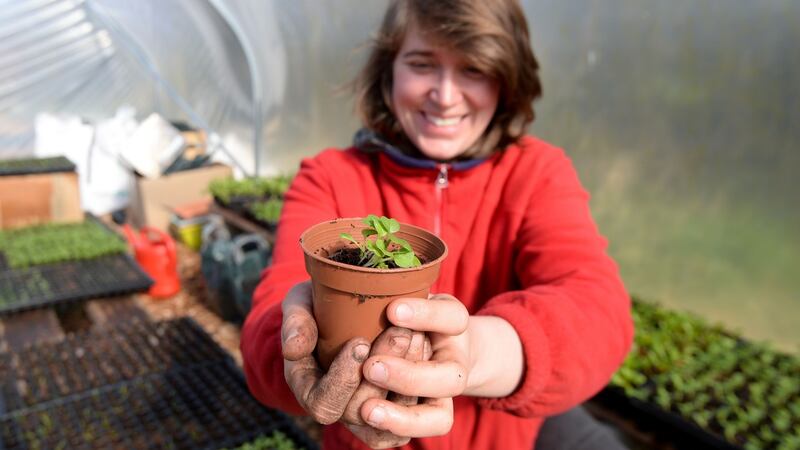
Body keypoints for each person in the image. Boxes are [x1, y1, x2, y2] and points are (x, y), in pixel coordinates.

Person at [241, 0, 634, 449]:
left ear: (507, 80)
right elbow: (265, 336)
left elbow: (598, 308)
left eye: (473, 69)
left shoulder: (537, 173)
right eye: (422, 64)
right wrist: (295, 343)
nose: (446, 96)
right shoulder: (330, 177)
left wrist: (471, 350)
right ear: (388, 72)